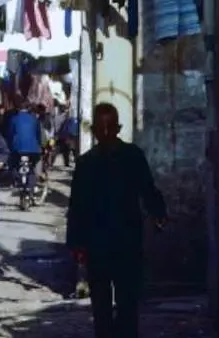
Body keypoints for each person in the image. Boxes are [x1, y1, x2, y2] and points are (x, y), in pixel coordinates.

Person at [66, 102, 167, 338]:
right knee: (116, 305)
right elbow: (77, 206)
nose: (105, 133)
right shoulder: (120, 157)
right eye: (103, 129)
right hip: (114, 243)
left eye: (107, 128)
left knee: (115, 305)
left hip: (111, 243)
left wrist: (158, 213)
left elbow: (147, 190)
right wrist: (158, 214)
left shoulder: (98, 161)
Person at [7, 97, 42, 190]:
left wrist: (10, 146)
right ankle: (32, 185)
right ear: (29, 108)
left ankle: (16, 180)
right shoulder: (34, 119)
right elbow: (38, 135)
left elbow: (10, 134)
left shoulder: (13, 119)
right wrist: (39, 145)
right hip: (33, 149)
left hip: (17, 149)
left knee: (13, 163)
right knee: (33, 166)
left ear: (18, 108)